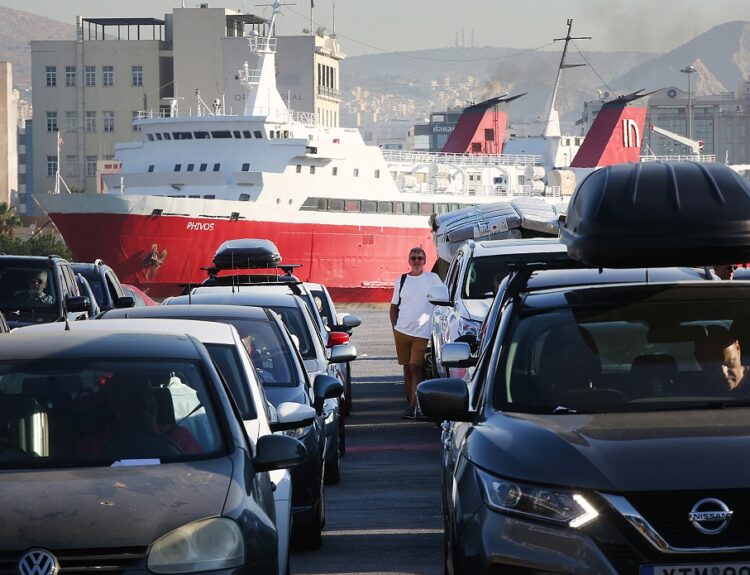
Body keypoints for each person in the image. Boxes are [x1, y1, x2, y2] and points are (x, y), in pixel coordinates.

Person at [78, 375, 202, 456]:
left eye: (149, 394)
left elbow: (199, 478)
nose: (146, 402)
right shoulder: (93, 447)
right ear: (115, 403)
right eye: (134, 396)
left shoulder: (179, 438)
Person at [389, 246, 441, 419]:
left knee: (415, 367)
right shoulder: (401, 280)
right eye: (413, 258)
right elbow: (394, 306)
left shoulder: (432, 278)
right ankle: (410, 401)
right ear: (409, 261)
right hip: (402, 330)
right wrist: (395, 327)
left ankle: (413, 407)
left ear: (425, 261)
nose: (416, 261)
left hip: (422, 331)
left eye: (420, 258)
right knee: (406, 368)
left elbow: (443, 296)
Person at [694, 325, 750, 394]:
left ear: (738, 348)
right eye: (713, 366)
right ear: (698, 360)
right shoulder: (690, 389)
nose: (724, 373)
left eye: (730, 363)